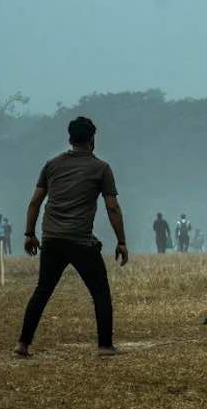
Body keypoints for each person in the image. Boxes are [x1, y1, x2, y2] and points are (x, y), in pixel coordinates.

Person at [16, 116, 128, 358]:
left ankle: (23, 344)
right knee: (100, 292)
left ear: (70, 139)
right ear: (92, 140)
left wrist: (29, 234)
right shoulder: (101, 168)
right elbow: (112, 208)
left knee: (42, 291)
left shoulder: (52, 165)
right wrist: (121, 241)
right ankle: (105, 346)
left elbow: (35, 201)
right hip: (80, 240)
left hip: (52, 239)